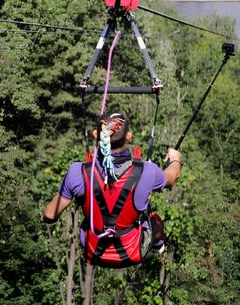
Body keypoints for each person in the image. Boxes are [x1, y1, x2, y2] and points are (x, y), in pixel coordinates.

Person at [41, 111, 182, 267]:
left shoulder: (78, 172)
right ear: (129, 136)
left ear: (96, 135)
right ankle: (157, 245)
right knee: (155, 220)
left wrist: (44, 217)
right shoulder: (146, 172)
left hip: (93, 249)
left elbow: (49, 215)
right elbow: (173, 176)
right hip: (132, 250)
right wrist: (175, 157)